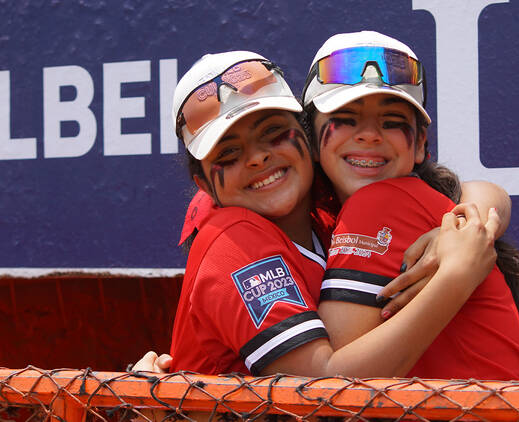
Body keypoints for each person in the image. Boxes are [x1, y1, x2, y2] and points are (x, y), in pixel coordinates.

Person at [157, 49, 501, 377]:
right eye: (229, 152)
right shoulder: (234, 238)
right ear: (203, 182)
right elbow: (320, 390)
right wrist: (455, 278)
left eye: (274, 133)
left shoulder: (327, 215)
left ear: (306, 137)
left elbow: (477, 191)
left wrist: (465, 225)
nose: (257, 158)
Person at [302, 31, 519, 380]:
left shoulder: (379, 203)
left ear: (420, 145)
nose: (369, 135)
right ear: (310, 136)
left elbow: (332, 390)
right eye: (346, 118)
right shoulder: (427, 205)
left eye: (391, 122)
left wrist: (456, 274)